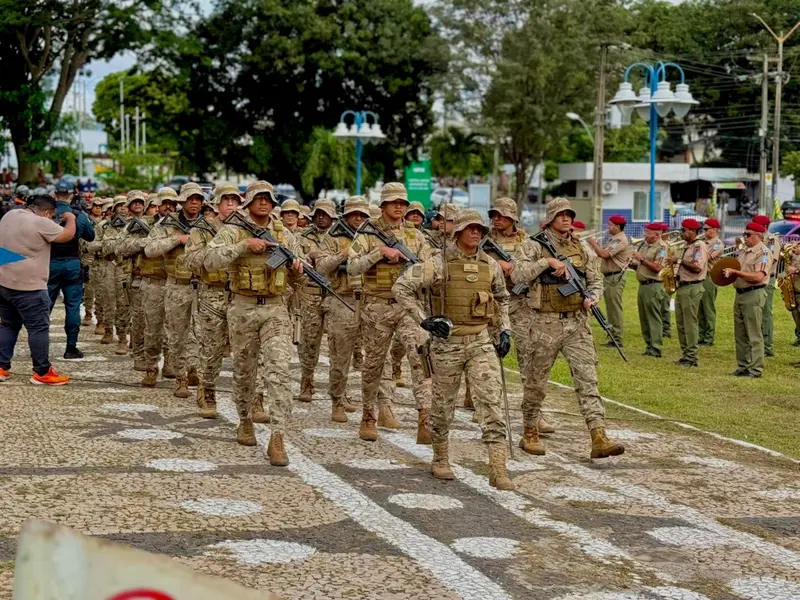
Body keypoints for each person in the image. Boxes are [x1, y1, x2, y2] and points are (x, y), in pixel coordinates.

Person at [392, 209, 515, 490]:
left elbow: (502, 298)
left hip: (480, 341)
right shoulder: (438, 263)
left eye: (480, 229)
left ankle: (498, 468)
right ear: (458, 231)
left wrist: (504, 329)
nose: (476, 233)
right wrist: (424, 319)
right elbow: (402, 287)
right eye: (470, 228)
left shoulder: (491, 265)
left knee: (491, 402)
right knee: (443, 405)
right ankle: (441, 457)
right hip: (447, 344)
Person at [510, 198, 625, 459]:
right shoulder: (533, 245)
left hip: (576, 322)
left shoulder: (582, 247)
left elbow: (595, 279)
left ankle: (599, 435)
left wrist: (593, 296)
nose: (566, 218)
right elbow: (517, 274)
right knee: (536, 382)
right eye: (560, 215)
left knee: (588, 380)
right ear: (550, 218)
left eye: (569, 214)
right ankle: (530, 429)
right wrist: (547, 263)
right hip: (543, 324)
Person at [204, 180, 303, 465]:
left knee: (279, 371)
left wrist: (296, 271)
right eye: (258, 198)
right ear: (249, 203)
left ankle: (278, 435)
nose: (264, 203)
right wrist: (243, 245)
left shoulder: (283, 233)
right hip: (242, 308)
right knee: (244, 371)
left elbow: (302, 273)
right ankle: (245, 419)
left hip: (275, 309)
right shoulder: (233, 230)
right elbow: (209, 260)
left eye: (268, 199)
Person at [347, 182, 433, 443]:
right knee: (374, 364)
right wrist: (378, 253)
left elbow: (430, 266)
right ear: (383, 205)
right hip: (378, 307)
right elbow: (352, 267)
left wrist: (416, 272)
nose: (399, 206)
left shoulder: (416, 236)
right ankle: (369, 414)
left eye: (403, 203)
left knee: (421, 358)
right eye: (394, 202)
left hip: (409, 308)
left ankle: (425, 419)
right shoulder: (367, 234)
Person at [184, 182, 254, 420]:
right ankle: (208, 389)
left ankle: (253, 398)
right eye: (226, 201)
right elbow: (192, 260)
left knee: (246, 350)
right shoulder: (202, 229)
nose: (231, 205)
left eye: (235, 201)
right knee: (211, 347)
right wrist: (228, 250)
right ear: (216, 205)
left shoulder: (248, 228)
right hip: (212, 293)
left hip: (242, 295)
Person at [0, 191, 76, 385]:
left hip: (4, 281)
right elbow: (67, 235)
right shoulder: (40, 222)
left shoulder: (10, 214)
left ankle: (1, 366)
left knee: (9, 325)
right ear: (47, 213)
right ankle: (42, 371)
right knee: (38, 328)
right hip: (29, 286)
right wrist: (70, 218)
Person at [315, 196, 374, 423]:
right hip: (343, 299)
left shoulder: (373, 238)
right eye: (353, 215)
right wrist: (344, 254)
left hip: (371, 300)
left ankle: (378, 407)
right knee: (340, 357)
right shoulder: (333, 238)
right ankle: (337, 399)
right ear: (345, 216)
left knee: (378, 357)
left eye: (362, 215)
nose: (358, 219)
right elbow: (321, 267)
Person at [145, 182, 203, 398]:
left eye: (198, 199)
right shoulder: (167, 224)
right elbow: (150, 249)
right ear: (182, 202)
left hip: (202, 286)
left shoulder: (208, 225)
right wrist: (177, 239)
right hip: (177, 285)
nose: (195, 202)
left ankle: (194, 368)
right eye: (191, 199)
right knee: (177, 333)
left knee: (200, 334)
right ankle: (180, 377)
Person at [47, 180, 95, 359]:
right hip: (72, 264)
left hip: (50, 263)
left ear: (54, 194)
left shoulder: (47, 214)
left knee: (45, 306)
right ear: (71, 195)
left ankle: (40, 346)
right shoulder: (78, 215)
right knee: (73, 305)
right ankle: (71, 347)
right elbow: (91, 236)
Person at [296, 199, 336, 402]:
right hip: (310, 293)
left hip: (333, 294)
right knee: (309, 341)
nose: (321, 217)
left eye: (325, 214)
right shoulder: (302, 237)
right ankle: (307, 381)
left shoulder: (341, 237)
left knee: (338, 344)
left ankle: (339, 391)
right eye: (318, 213)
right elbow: (299, 260)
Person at [722, 222, 772, 378]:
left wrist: (736, 272)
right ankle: (743, 366)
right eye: (744, 234)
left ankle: (756, 369)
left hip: (753, 294)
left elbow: (758, 276)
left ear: (758, 236)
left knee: (754, 333)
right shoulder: (744, 251)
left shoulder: (763, 253)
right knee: (740, 333)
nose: (745, 237)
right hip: (741, 293)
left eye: (748, 235)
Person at [139, 187, 178, 386]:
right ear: (157, 206)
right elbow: (149, 249)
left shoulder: (184, 225)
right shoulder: (152, 227)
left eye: (173, 204)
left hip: (175, 282)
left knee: (175, 329)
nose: (169, 207)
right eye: (165, 204)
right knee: (153, 328)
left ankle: (171, 363)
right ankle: (151, 367)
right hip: (153, 282)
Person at [116, 190, 155, 371]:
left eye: (141, 202)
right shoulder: (129, 227)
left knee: (157, 323)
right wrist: (143, 243)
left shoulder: (158, 224)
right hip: (137, 278)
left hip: (158, 278)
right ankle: (139, 354)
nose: (138, 205)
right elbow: (120, 248)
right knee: (139, 320)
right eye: (134, 203)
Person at [668, 219, 708, 367]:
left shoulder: (699, 246)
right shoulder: (688, 246)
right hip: (683, 286)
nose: (682, 233)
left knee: (690, 323)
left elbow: (697, 267)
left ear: (692, 230)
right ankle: (686, 354)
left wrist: (679, 260)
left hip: (692, 287)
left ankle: (691, 356)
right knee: (681, 323)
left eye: (684, 230)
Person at [588, 215, 632, 348]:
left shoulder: (620, 240)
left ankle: (617, 338)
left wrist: (593, 242)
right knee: (610, 308)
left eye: (610, 225)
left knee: (614, 309)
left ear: (618, 227)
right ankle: (613, 335)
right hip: (609, 277)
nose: (608, 227)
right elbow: (603, 252)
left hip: (615, 277)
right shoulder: (614, 239)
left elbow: (604, 254)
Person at [632, 223, 667, 358]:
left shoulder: (662, 248)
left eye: (648, 232)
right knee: (644, 318)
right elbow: (643, 266)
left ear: (657, 234)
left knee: (653, 317)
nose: (645, 235)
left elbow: (658, 268)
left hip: (653, 285)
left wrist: (642, 259)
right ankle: (649, 345)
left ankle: (656, 347)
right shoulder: (645, 245)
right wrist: (632, 263)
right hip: (643, 285)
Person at [98, 196, 129, 348]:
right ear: (114, 208)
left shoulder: (134, 225)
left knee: (125, 303)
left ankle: (123, 336)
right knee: (109, 300)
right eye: (120, 205)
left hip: (126, 267)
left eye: (125, 205)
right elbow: (102, 246)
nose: (123, 208)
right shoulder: (106, 225)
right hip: (109, 265)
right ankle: (108, 329)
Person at [752, 215, 780, 357]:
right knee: (756, 311)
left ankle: (767, 345)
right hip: (755, 278)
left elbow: (771, 259)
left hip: (767, 278)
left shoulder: (771, 240)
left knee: (766, 312)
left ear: (764, 227)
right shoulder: (754, 240)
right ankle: (758, 342)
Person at [698, 218, 724, 346]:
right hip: (699, 276)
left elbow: (705, 257)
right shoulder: (702, 241)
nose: (704, 231)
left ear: (715, 230)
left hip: (709, 277)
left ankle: (709, 337)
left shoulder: (717, 244)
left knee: (708, 307)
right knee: (699, 308)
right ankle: (701, 334)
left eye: (706, 229)